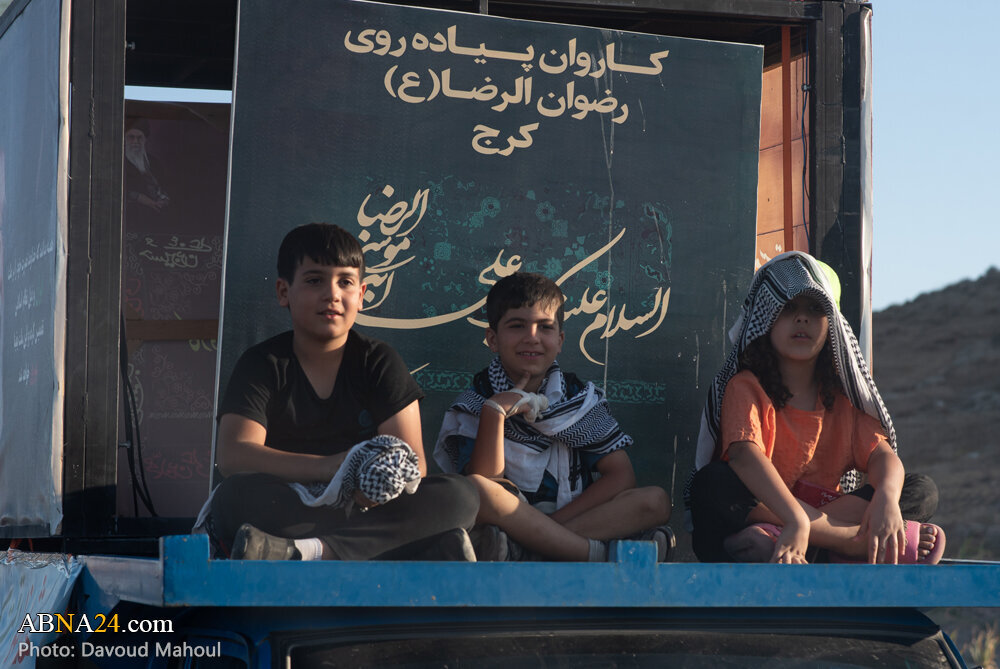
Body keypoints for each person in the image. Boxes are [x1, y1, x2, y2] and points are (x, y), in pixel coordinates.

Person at [208, 222, 479, 561]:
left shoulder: (379, 361)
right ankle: (393, 548)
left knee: (460, 496)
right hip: (292, 506)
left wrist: (372, 488)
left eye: (345, 282)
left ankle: (308, 552)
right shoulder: (262, 363)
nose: (332, 294)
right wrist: (335, 468)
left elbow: (413, 465)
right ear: (283, 291)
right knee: (234, 497)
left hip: (365, 507)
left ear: (361, 295)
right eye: (314, 280)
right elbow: (234, 456)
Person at [687, 252, 944, 564]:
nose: (802, 318)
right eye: (788, 308)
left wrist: (887, 499)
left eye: (815, 309)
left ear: (832, 325)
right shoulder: (746, 386)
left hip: (792, 519)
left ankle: (794, 540)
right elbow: (744, 456)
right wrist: (795, 519)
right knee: (712, 483)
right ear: (766, 317)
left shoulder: (844, 399)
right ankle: (849, 544)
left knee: (920, 490)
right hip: (766, 508)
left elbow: (882, 457)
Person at [435, 272, 672, 562]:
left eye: (545, 327)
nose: (532, 338)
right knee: (476, 490)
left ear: (559, 341)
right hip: (505, 523)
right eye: (517, 326)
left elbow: (621, 476)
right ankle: (595, 555)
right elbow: (488, 487)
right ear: (492, 339)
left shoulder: (578, 399)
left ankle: (531, 552)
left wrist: (546, 529)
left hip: (564, 520)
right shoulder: (478, 400)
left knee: (655, 501)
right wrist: (495, 411)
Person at [123, 119, 171, 225]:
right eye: (131, 137)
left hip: (157, 214)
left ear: (145, 140)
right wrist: (140, 198)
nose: (135, 141)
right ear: (124, 139)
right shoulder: (119, 162)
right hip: (132, 216)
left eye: (139, 138)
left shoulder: (155, 162)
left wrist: (164, 199)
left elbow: (165, 186)